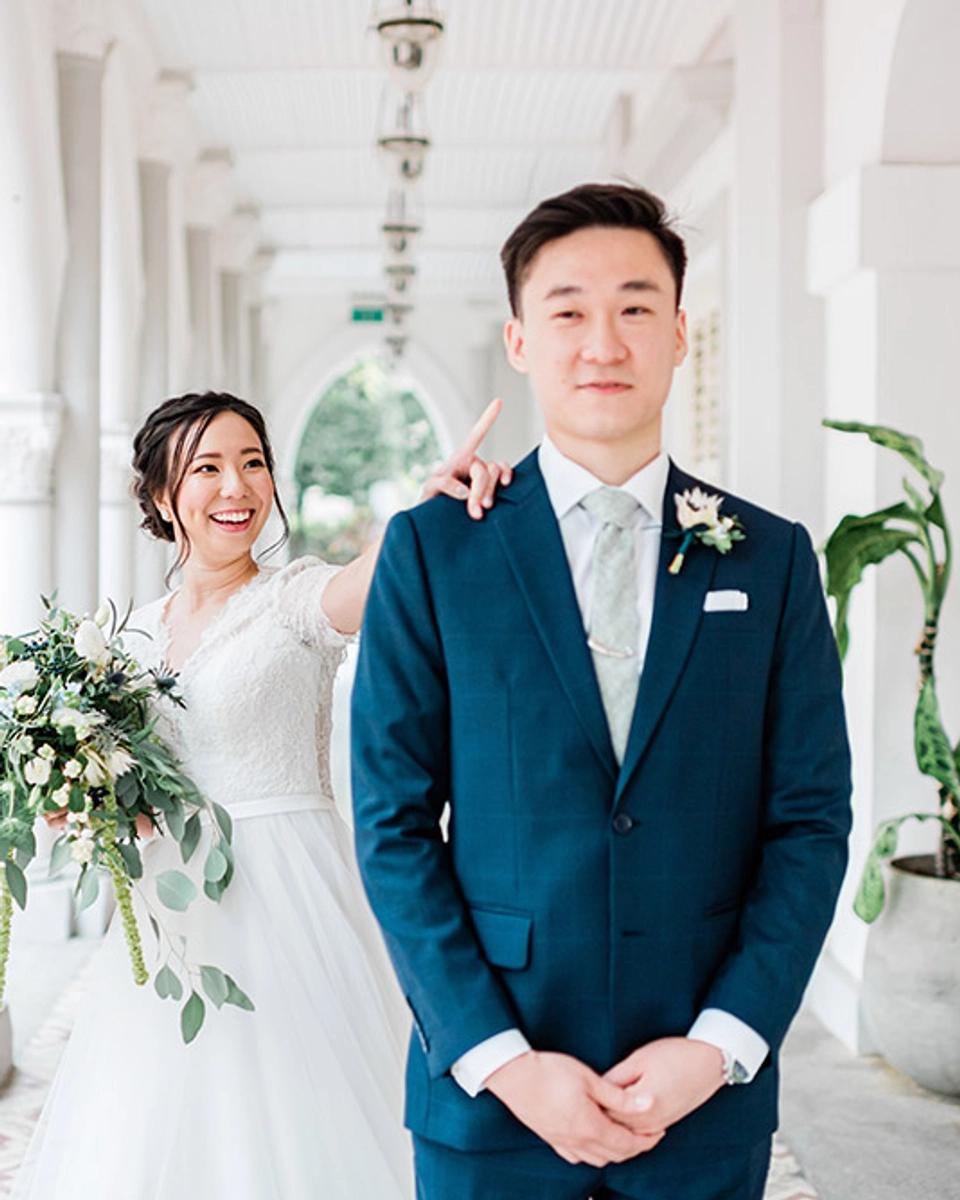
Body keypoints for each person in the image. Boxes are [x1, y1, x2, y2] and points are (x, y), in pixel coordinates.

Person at [351, 183, 853, 1200]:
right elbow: (391, 824)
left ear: (680, 334)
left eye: (634, 308)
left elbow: (809, 821)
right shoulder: (435, 551)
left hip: (699, 1093)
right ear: (520, 341)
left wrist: (719, 1045)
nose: (603, 343)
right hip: (494, 1096)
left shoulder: (771, 559)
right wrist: (502, 1060)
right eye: (568, 311)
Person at [12, 390, 511, 1200]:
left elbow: (371, 576)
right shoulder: (125, 639)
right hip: (171, 923)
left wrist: (425, 507)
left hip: (292, 904)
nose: (236, 486)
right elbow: (121, 792)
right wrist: (82, 800)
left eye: (252, 463)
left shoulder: (295, 599)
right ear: (161, 496)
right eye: (207, 468)